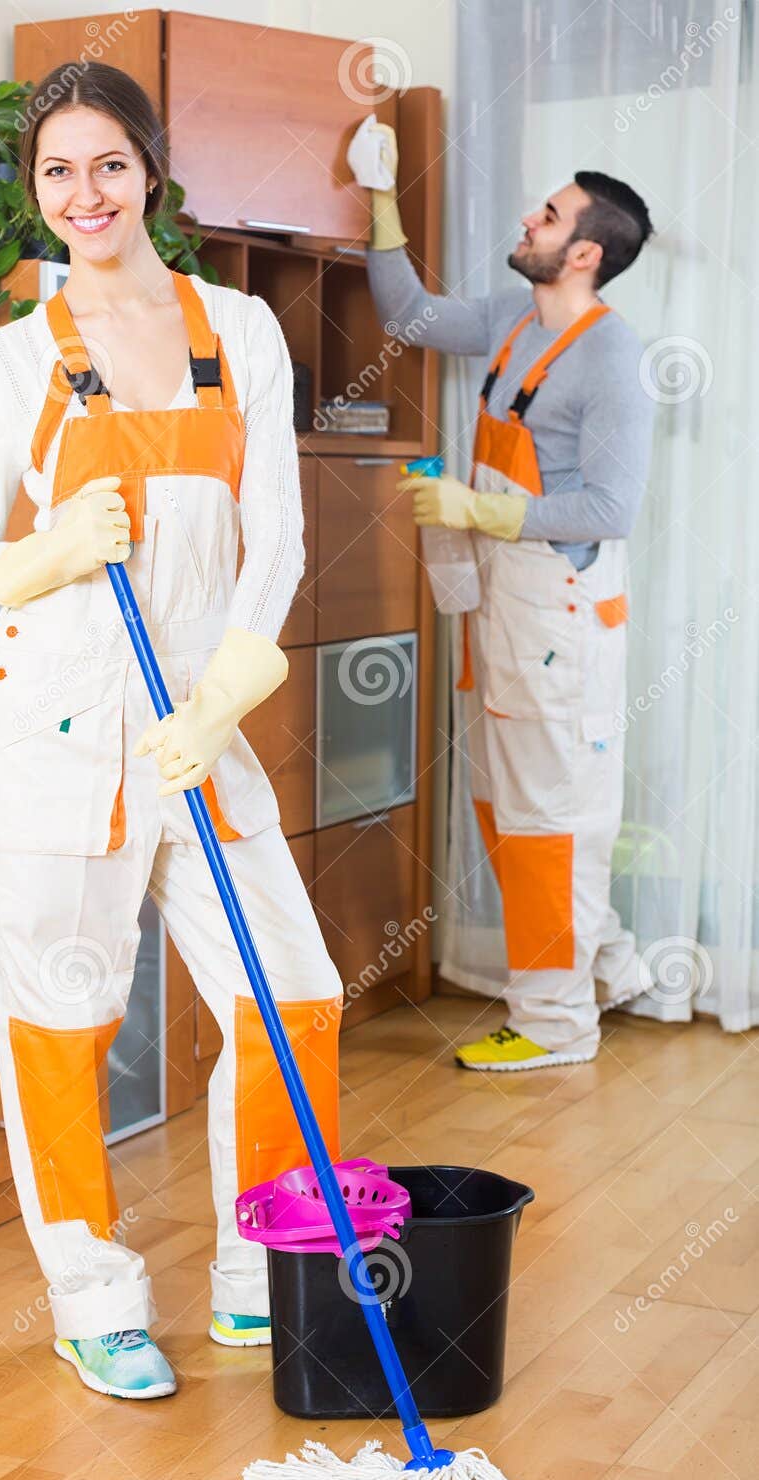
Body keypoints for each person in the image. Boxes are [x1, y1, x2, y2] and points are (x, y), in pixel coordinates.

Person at [0, 62, 343, 1400]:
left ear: (149, 172)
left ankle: (257, 1273)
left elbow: (274, 530)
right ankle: (93, 1297)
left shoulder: (236, 328)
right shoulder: (7, 362)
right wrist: (38, 553)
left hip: (197, 724)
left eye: (107, 162)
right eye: (57, 170)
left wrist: (230, 681)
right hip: (52, 736)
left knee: (293, 996)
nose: (84, 192)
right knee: (62, 1024)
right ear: (35, 192)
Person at [354, 126, 655, 1072]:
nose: (528, 217)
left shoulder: (610, 361)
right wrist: (379, 193)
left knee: (545, 825)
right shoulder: (513, 320)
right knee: (510, 806)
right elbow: (406, 313)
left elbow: (611, 507)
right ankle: (607, 966)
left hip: (556, 617)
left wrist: (479, 507)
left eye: (549, 213)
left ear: (584, 253)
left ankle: (557, 1026)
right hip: (504, 607)